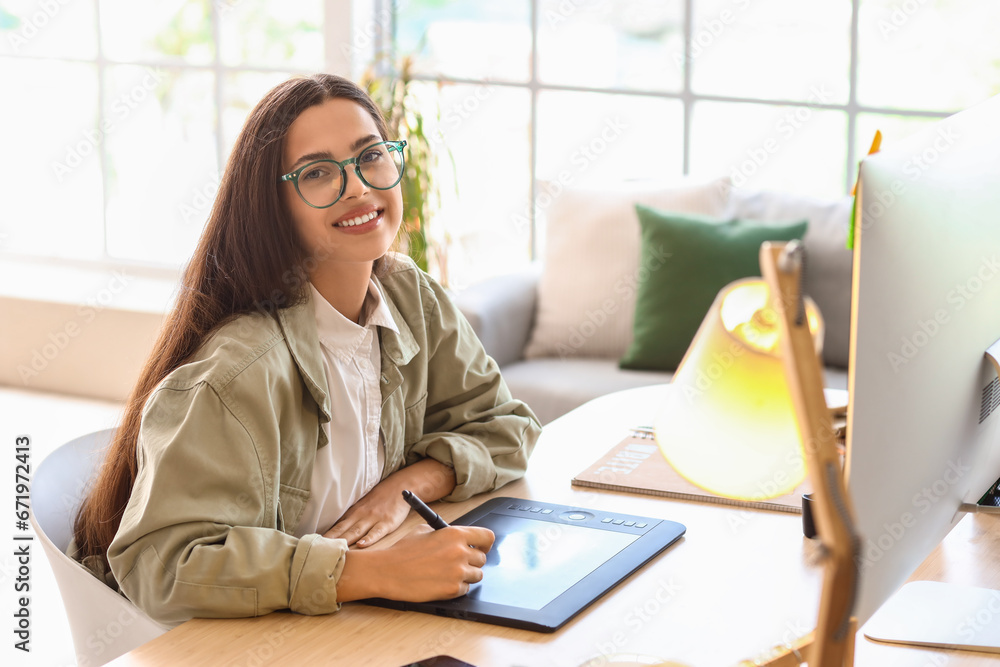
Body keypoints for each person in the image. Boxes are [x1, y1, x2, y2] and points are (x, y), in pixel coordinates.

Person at [70, 73, 541, 626]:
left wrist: (407, 486)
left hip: (329, 624)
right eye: (318, 173)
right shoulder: (239, 369)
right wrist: (371, 572)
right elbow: (162, 564)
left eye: (371, 157)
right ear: (273, 206)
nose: (360, 188)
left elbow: (504, 425)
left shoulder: (408, 296)